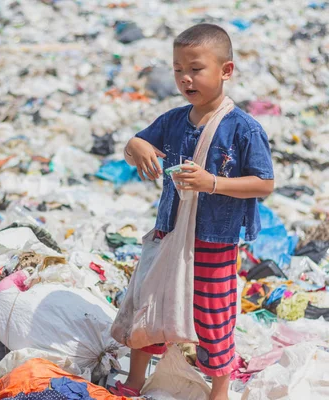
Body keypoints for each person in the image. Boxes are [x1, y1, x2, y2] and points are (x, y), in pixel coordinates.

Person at [111, 23, 274, 400]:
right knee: (149, 302)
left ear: (226, 71)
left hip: (215, 240)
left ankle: (219, 390)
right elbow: (134, 144)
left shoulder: (243, 129)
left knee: (212, 316)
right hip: (169, 231)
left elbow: (264, 184)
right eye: (178, 69)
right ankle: (135, 381)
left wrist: (211, 183)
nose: (186, 78)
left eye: (196, 69)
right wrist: (137, 147)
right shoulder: (173, 120)